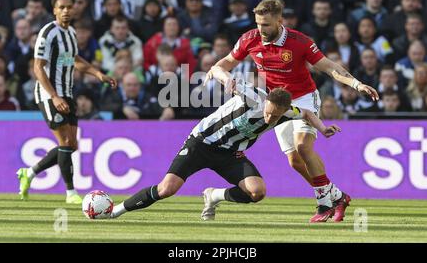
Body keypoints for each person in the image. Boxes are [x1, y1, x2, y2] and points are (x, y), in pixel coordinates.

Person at [206, 0, 379, 222]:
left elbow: (329, 67)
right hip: (278, 102)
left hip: (304, 98)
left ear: (280, 20)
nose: (261, 29)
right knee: (294, 161)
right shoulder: (249, 39)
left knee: (303, 146)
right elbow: (225, 63)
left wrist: (357, 84)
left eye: (266, 24)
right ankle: (336, 196)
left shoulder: (300, 42)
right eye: (258, 23)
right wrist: (223, 75)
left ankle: (323, 203)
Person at [109, 66, 340, 220]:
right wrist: (226, 79)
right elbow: (217, 69)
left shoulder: (288, 111)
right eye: (269, 112)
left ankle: (214, 196)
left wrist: (322, 128)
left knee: (257, 192)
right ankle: (115, 211)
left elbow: (308, 113)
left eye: (276, 116)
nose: (270, 118)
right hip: (201, 144)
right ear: (266, 102)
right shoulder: (252, 97)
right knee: (166, 189)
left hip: (232, 155)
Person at [16, 0, 117, 204]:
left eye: (69, 7)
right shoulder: (48, 33)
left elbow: (74, 60)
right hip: (49, 93)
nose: (66, 10)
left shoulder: (70, 32)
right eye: (61, 7)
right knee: (65, 142)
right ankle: (71, 193)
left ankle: (30, 173)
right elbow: (38, 67)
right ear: (54, 10)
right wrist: (53, 96)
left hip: (67, 92)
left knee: (71, 145)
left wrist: (98, 74)